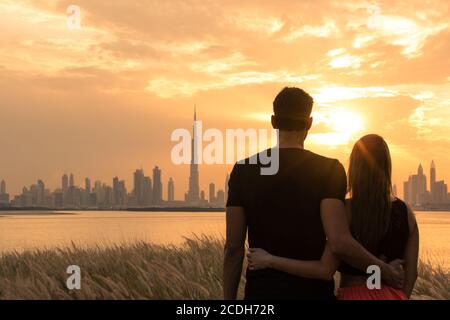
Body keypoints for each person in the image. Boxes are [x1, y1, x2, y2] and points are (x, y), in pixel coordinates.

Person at [223, 87, 404, 300]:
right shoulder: (329, 170)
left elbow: (234, 249)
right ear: (309, 122)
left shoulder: (244, 170)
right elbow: (338, 240)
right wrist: (384, 269)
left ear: (273, 121)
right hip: (313, 294)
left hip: (262, 295)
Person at [247, 134, 419, 300]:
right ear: (387, 166)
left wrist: (269, 260)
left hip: (353, 294)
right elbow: (411, 275)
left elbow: (324, 270)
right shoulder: (406, 213)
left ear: (355, 168)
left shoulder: (344, 210)